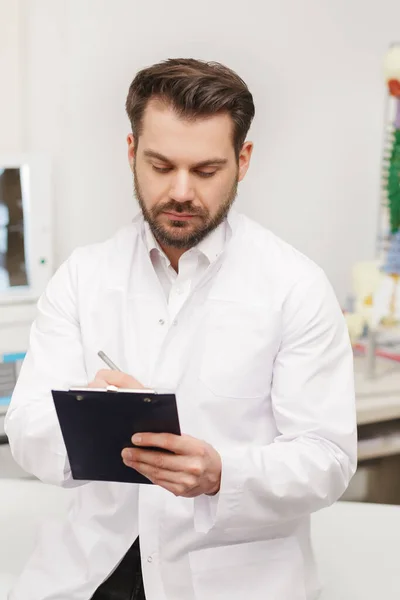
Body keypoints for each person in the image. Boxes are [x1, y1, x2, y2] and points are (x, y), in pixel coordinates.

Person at [5, 58, 357, 600]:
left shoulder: (295, 286)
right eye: (161, 166)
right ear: (131, 154)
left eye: (207, 170)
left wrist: (223, 474)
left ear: (243, 161)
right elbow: (27, 431)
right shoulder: (83, 277)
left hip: (234, 579)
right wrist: (90, 417)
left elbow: (328, 458)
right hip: (94, 568)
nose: (182, 191)